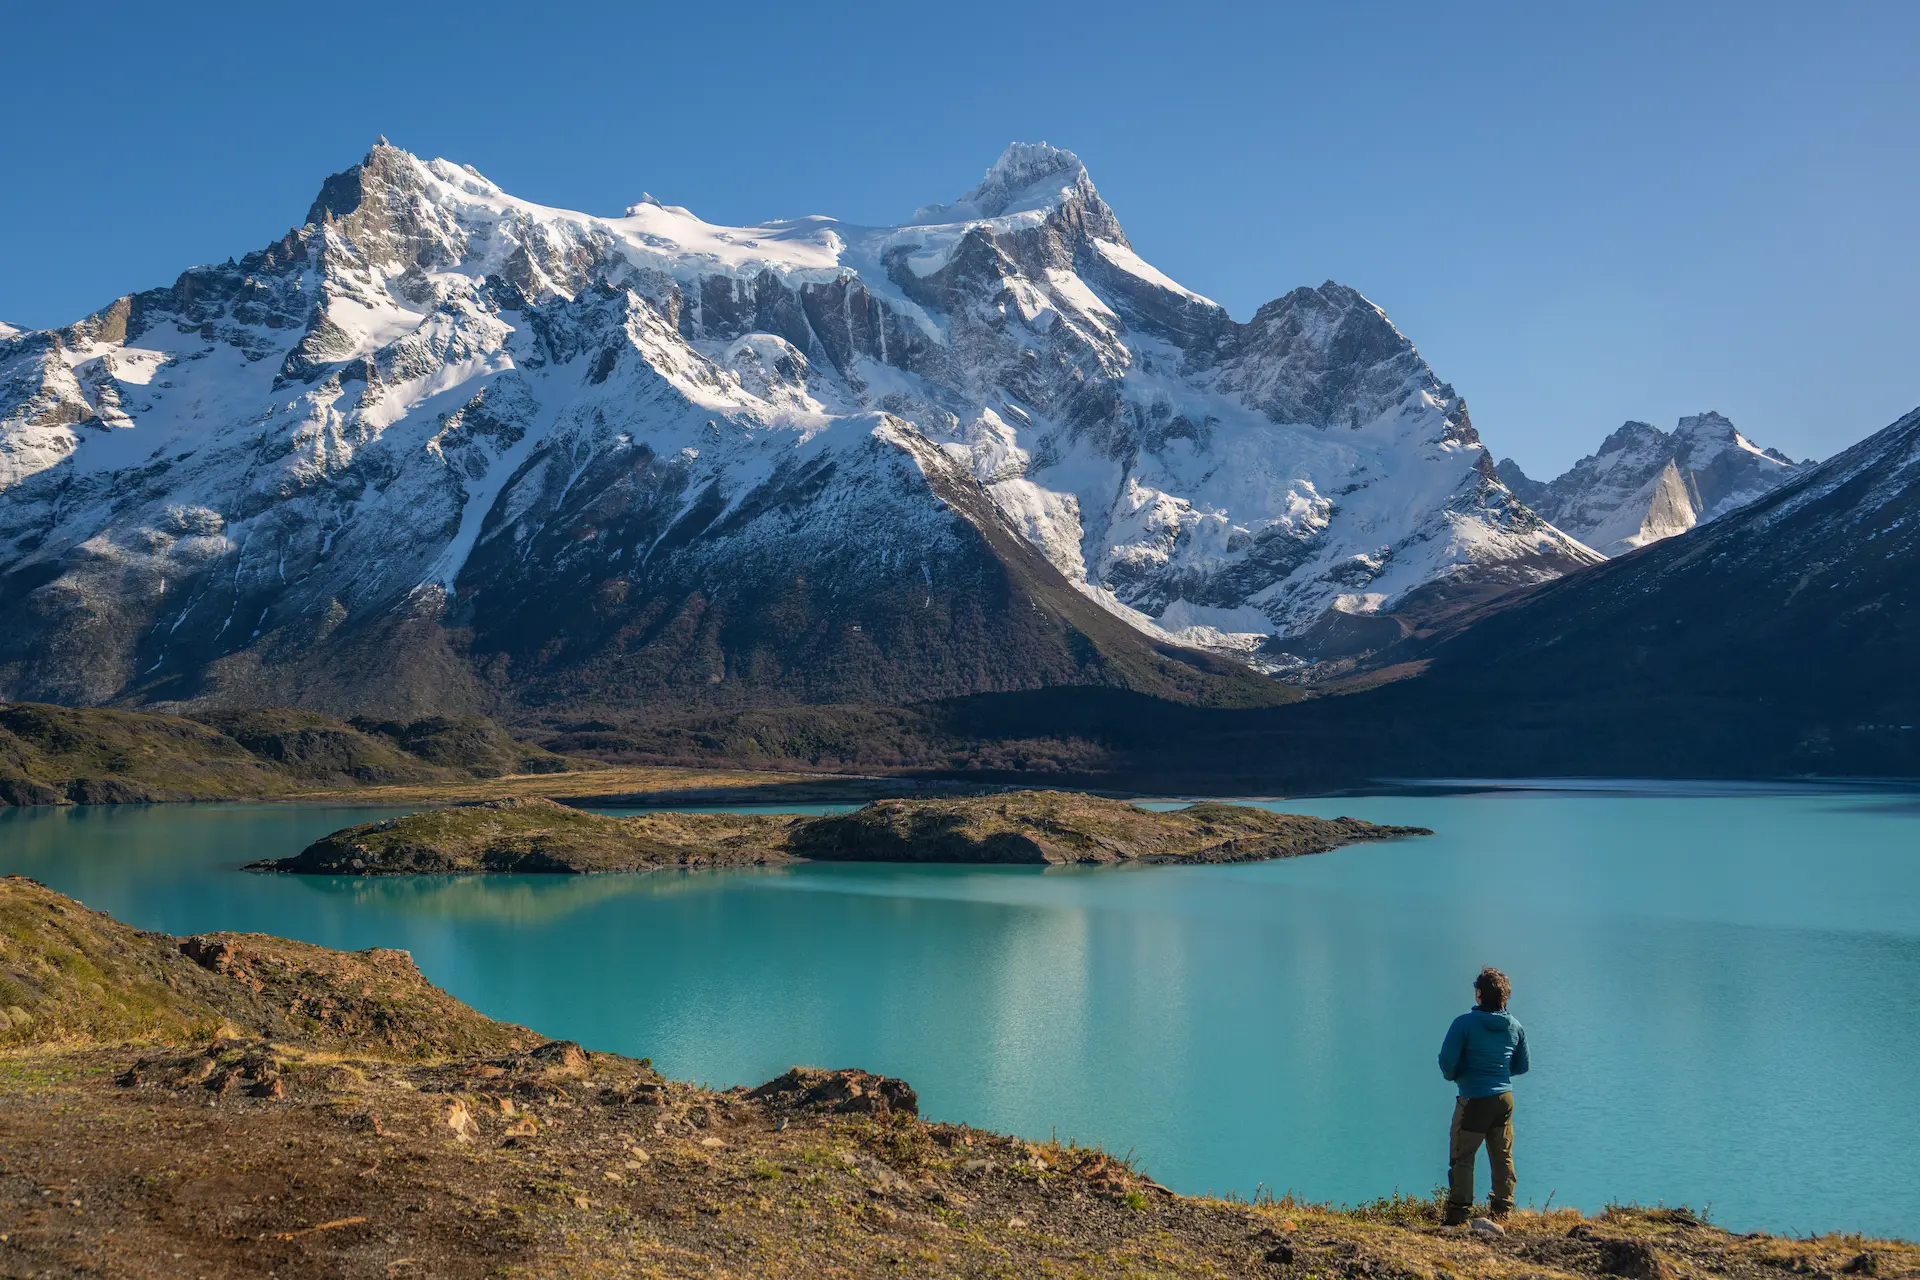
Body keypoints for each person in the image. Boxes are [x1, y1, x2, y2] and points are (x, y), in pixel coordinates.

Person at [1437, 966, 1530, 1225]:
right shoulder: (1515, 1026)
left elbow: (1447, 1063)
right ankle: (1502, 1212)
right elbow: (1521, 1067)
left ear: (1478, 994)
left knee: (1463, 1157)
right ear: (1505, 997)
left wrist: (1460, 1076)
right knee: (1502, 1156)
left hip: (1473, 1100)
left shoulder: (1464, 1023)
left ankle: (1458, 1215)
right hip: (1504, 1099)